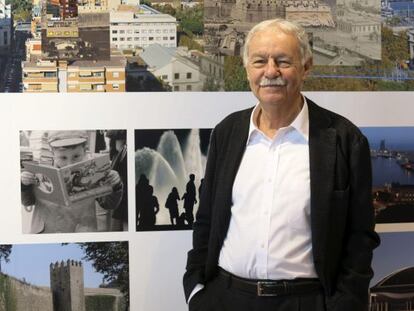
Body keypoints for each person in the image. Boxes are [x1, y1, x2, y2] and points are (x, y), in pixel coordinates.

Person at [183, 19, 380, 311]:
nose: (271, 72)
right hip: (226, 298)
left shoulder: (344, 139)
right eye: (260, 61)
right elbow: (207, 218)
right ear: (247, 68)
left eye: (283, 61)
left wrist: (345, 304)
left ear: (306, 67)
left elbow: (360, 235)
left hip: (307, 302)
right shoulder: (227, 132)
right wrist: (197, 290)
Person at [21, 130, 123, 233]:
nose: (69, 163)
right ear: (52, 153)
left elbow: (109, 205)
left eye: (76, 156)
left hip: (79, 233)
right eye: (63, 157)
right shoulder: (40, 171)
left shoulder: (93, 172)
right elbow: (27, 201)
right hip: (45, 233)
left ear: (85, 151)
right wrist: (24, 185)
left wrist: (115, 186)